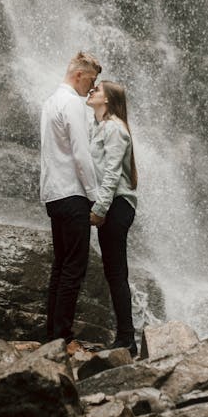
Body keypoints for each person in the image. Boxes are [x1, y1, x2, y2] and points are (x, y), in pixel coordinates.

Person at [40, 51, 102, 354]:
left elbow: (48, 153)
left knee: (60, 266)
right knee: (74, 268)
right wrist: (96, 197)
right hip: (74, 193)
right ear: (79, 74)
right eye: (91, 80)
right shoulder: (74, 104)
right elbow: (81, 154)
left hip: (54, 193)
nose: (92, 88)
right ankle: (64, 337)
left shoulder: (51, 101)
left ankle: (51, 334)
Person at [87, 80, 139, 357]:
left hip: (117, 205)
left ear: (107, 100)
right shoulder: (100, 127)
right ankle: (125, 336)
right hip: (112, 205)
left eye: (96, 90)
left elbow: (111, 173)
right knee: (113, 271)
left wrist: (100, 209)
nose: (91, 92)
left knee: (116, 272)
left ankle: (127, 339)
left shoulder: (115, 129)